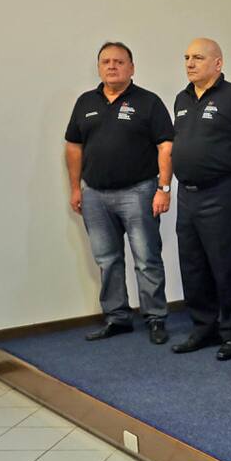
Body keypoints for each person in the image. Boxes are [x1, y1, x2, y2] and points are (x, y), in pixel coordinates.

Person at [65, 41, 175, 345]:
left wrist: (163, 189)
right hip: (94, 195)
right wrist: (76, 188)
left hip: (138, 192)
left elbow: (166, 146)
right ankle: (116, 317)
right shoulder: (85, 102)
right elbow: (74, 147)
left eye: (119, 62)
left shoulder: (148, 102)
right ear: (99, 67)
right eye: (106, 62)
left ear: (131, 67)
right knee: (107, 259)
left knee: (146, 258)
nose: (112, 66)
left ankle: (155, 318)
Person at [169, 38, 231, 361]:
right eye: (187, 57)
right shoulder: (181, 99)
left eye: (198, 57)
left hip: (223, 192)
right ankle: (203, 328)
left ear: (218, 63)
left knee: (227, 266)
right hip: (187, 195)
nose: (189, 63)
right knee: (193, 265)